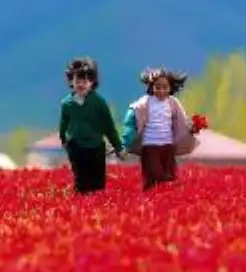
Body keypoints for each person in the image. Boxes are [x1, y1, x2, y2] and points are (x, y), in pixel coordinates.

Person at [121, 66, 200, 191]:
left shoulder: (172, 102)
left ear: (170, 88)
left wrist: (193, 127)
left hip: (167, 146)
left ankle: (158, 199)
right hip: (150, 145)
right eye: (157, 87)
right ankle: (149, 196)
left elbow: (182, 121)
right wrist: (126, 141)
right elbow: (132, 117)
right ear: (151, 87)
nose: (161, 91)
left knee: (168, 175)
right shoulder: (145, 101)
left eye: (165, 87)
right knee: (154, 173)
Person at [58, 57, 124, 195]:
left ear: (92, 82)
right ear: (71, 81)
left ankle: (95, 205)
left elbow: (108, 126)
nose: (81, 84)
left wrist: (118, 147)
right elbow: (63, 124)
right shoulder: (66, 104)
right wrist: (63, 139)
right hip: (76, 146)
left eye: (85, 81)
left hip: (96, 146)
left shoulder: (99, 102)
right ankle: (80, 206)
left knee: (97, 181)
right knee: (81, 179)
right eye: (78, 81)